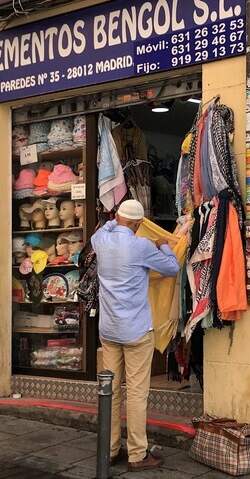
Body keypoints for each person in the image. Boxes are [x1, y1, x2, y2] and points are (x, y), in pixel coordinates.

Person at [91, 199, 180, 470]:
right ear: (140, 224)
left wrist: (115, 221)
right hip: (136, 331)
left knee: (111, 391)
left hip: (109, 330)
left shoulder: (100, 241)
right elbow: (171, 267)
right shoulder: (141, 246)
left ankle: (111, 448)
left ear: (117, 217)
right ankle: (137, 454)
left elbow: (104, 229)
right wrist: (163, 243)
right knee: (137, 393)